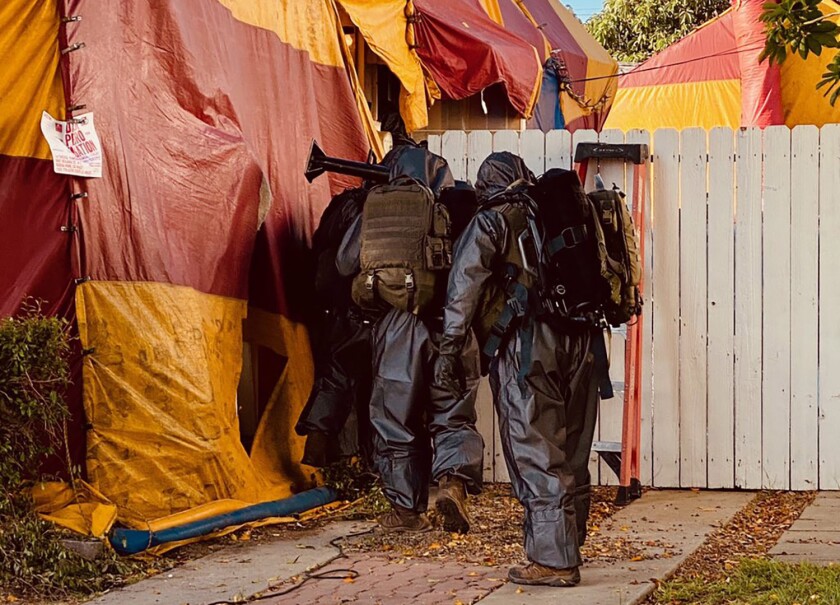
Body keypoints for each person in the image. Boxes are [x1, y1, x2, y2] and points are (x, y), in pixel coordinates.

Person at [435, 152, 600, 586]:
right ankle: (571, 541)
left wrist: (449, 349)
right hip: (583, 338)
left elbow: (462, 290)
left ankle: (554, 560)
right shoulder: (558, 208)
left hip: (528, 345)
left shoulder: (493, 219)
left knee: (534, 449)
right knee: (572, 448)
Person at [336, 146, 484, 534]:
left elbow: (345, 262)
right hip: (454, 322)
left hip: (399, 328)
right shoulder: (464, 203)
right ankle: (452, 484)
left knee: (394, 418)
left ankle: (406, 511)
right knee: (453, 412)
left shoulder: (380, 205)